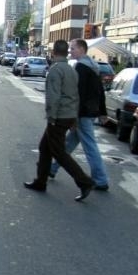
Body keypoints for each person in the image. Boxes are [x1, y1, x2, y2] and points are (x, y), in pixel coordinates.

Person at [24, 39, 95, 202]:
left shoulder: (56, 70)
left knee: (59, 152)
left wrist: (52, 117)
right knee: (45, 147)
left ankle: (84, 181)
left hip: (59, 116)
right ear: (66, 52)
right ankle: (40, 181)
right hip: (68, 114)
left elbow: (53, 97)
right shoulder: (72, 70)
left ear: (54, 52)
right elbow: (77, 95)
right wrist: (74, 117)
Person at [49, 39, 110, 191]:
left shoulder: (81, 67)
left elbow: (78, 94)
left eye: (73, 48)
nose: (70, 51)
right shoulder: (93, 66)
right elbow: (100, 91)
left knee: (90, 146)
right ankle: (52, 168)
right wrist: (102, 111)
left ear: (82, 49)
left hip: (82, 113)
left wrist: (74, 116)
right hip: (88, 111)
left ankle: (100, 179)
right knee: (68, 144)